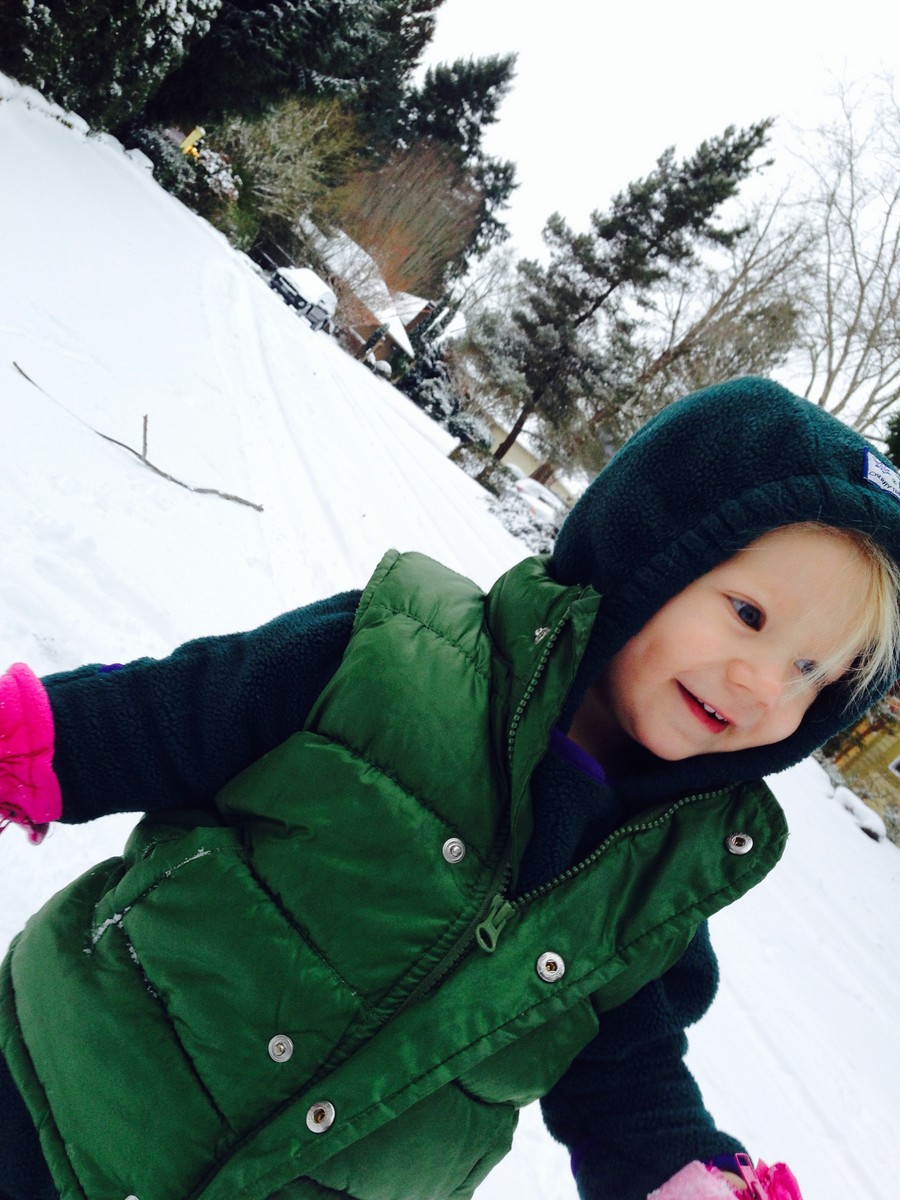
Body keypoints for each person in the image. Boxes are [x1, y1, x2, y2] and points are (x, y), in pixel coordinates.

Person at [1, 377, 899, 1200]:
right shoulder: (400, 655)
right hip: (62, 1096)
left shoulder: (661, 878)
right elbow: (177, 714)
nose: (762, 686)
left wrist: (678, 1173)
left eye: (813, 671)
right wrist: (35, 743)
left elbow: (625, 1071)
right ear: (650, 552)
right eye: (747, 616)